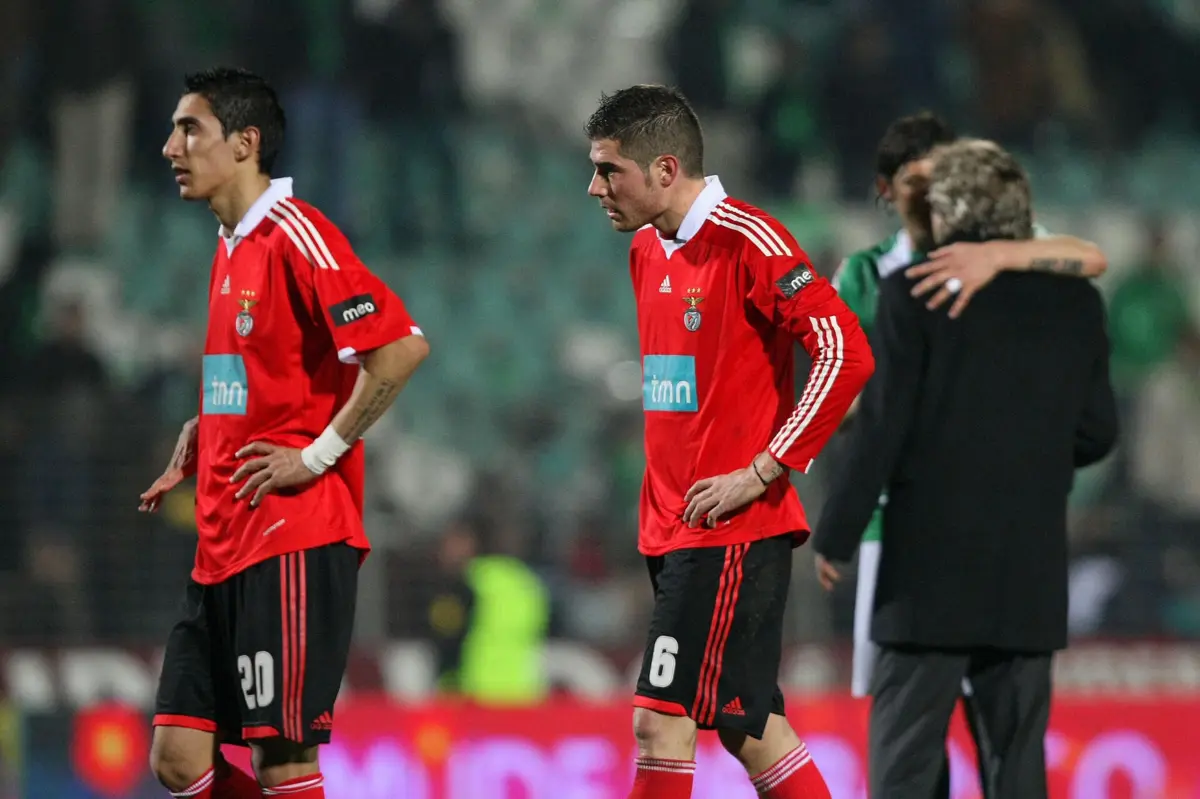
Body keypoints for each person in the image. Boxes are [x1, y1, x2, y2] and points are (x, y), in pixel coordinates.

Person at [140, 67, 429, 799]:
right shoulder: (232, 242)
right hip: (222, 541)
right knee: (178, 757)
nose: (171, 146)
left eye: (189, 129)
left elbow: (400, 348)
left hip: (292, 539)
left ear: (245, 143)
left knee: (284, 763)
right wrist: (208, 424)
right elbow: (269, 369)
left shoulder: (296, 233)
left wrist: (317, 455)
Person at [585, 84, 875, 799]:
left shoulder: (750, 240)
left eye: (609, 170)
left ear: (663, 169)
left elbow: (845, 350)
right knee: (751, 727)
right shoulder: (646, 250)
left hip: (728, 531)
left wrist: (765, 468)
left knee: (659, 723)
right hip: (671, 528)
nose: (595, 188)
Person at [813, 140, 1117, 799]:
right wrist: (1029, 459)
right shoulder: (1077, 303)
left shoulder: (912, 293)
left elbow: (880, 431)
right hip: (1026, 571)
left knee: (906, 763)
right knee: (1018, 763)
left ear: (946, 214)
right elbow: (1099, 432)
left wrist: (836, 532)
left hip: (926, 577)